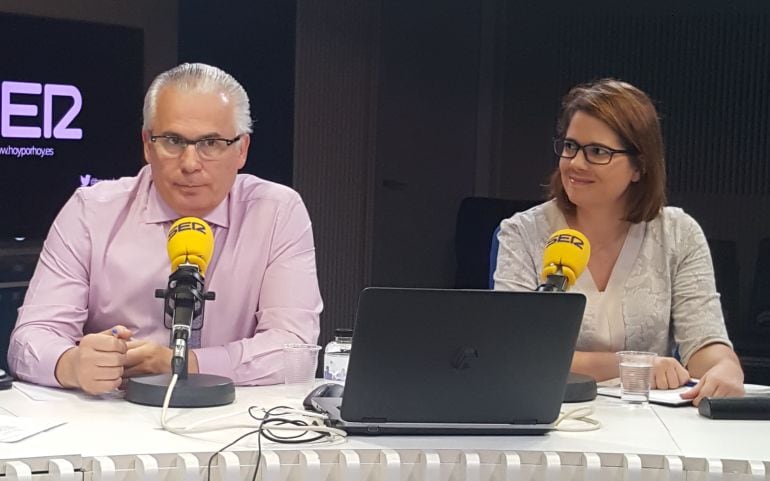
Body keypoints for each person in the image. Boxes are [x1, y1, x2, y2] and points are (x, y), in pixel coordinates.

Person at [7, 63, 322, 395]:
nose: (189, 163)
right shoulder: (91, 211)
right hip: (111, 417)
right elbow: (29, 340)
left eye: (211, 143)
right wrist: (70, 364)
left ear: (241, 149)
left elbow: (296, 352)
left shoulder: (277, 212)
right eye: (172, 141)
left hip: (233, 422)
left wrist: (184, 363)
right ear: (147, 144)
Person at [494, 78, 744, 406]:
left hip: (650, 422)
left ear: (639, 166)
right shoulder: (523, 232)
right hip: (551, 413)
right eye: (570, 147)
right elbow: (516, 350)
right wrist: (632, 365)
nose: (576, 164)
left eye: (597, 151)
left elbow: (704, 346)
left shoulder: (679, 233)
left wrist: (725, 369)